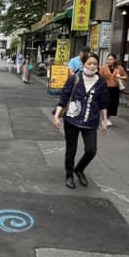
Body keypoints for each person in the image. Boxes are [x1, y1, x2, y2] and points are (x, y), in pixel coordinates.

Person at [53, 53, 109, 188]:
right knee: (71, 149)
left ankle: (79, 169)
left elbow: (103, 103)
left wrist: (104, 120)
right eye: (89, 63)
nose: (92, 66)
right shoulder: (74, 79)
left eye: (95, 63)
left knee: (91, 150)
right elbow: (64, 98)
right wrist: (56, 116)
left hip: (91, 121)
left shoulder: (101, 82)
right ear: (83, 64)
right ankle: (69, 175)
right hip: (72, 119)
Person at [99, 53, 129, 126]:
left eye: (111, 59)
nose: (109, 61)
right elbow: (99, 77)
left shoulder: (119, 68)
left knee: (113, 104)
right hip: (106, 88)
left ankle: (108, 118)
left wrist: (120, 77)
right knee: (106, 103)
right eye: (108, 59)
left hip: (115, 88)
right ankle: (104, 119)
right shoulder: (103, 68)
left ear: (115, 60)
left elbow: (126, 77)